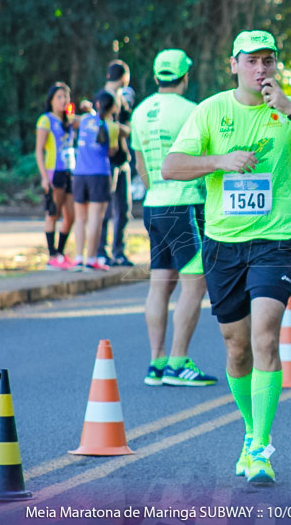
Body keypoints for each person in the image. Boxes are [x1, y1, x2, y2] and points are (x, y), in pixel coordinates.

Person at [161, 30, 291, 485]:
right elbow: (171, 167)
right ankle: (249, 431)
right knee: (237, 347)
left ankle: (261, 448)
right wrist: (220, 161)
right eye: (251, 60)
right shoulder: (212, 111)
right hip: (223, 242)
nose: (261, 68)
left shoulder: (290, 109)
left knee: (265, 337)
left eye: (268, 60)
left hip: (275, 240)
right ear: (233, 64)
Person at [131, 48, 217, 388]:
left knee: (159, 285)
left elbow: (141, 167)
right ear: (185, 76)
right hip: (184, 204)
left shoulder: (139, 113)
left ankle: (157, 363)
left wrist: (159, 192)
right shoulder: (193, 111)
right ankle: (179, 363)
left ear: (156, 77)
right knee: (195, 284)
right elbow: (205, 161)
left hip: (153, 205)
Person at [71, 91, 119, 272]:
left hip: (79, 174)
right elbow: (112, 151)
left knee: (80, 219)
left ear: (97, 104)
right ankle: (91, 259)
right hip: (99, 175)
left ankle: (78, 258)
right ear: (113, 107)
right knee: (95, 219)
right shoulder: (112, 127)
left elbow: (74, 118)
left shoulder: (84, 120)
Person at [95, 60, 135, 267]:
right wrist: (118, 128)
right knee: (105, 210)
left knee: (124, 208)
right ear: (124, 77)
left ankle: (119, 252)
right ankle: (102, 251)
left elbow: (128, 128)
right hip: (104, 163)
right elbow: (100, 128)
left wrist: (116, 127)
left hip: (122, 160)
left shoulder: (122, 100)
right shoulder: (103, 98)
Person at [35, 82, 77, 270]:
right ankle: (51, 256)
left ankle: (60, 252)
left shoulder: (68, 120)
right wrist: (44, 176)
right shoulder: (46, 120)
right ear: (51, 100)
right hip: (54, 172)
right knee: (53, 213)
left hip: (69, 172)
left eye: (66, 97)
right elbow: (39, 151)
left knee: (70, 215)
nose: (63, 100)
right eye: (59, 97)